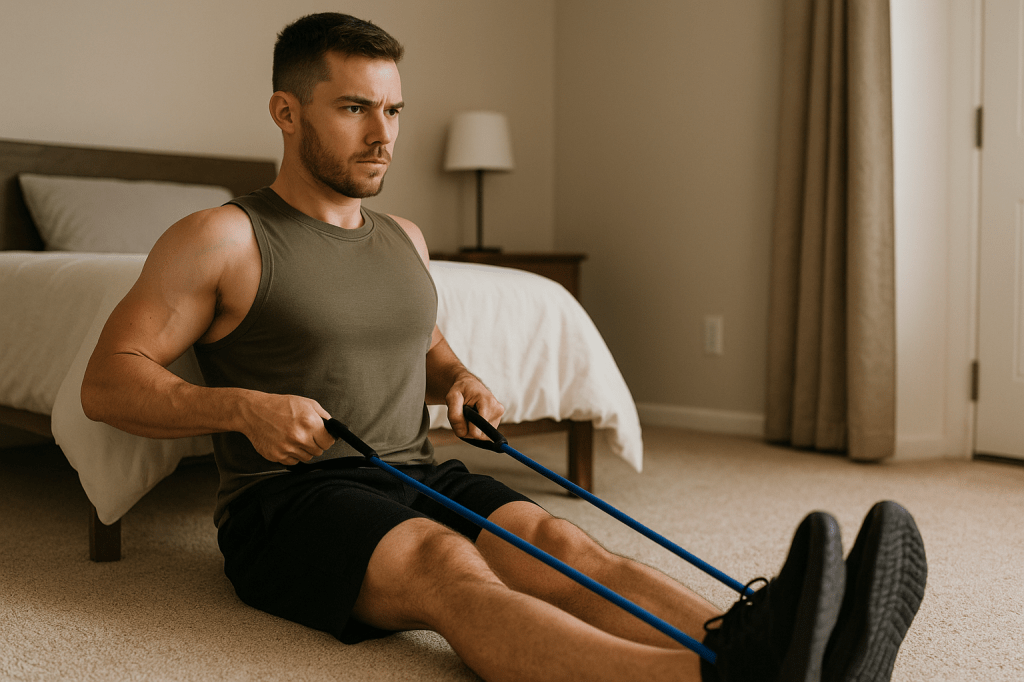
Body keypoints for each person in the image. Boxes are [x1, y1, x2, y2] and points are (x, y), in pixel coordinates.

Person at [80, 13, 925, 682]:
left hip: (413, 470)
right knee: (451, 567)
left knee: (563, 545)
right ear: (286, 112)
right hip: (289, 505)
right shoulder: (221, 235)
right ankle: (710, 678)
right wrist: (241, 407)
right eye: (355, 108)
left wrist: (459, 377)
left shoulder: (403, 237)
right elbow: (108, 384)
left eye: (394, 108)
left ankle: (761, 641)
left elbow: (425, 341)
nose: (384, 132)